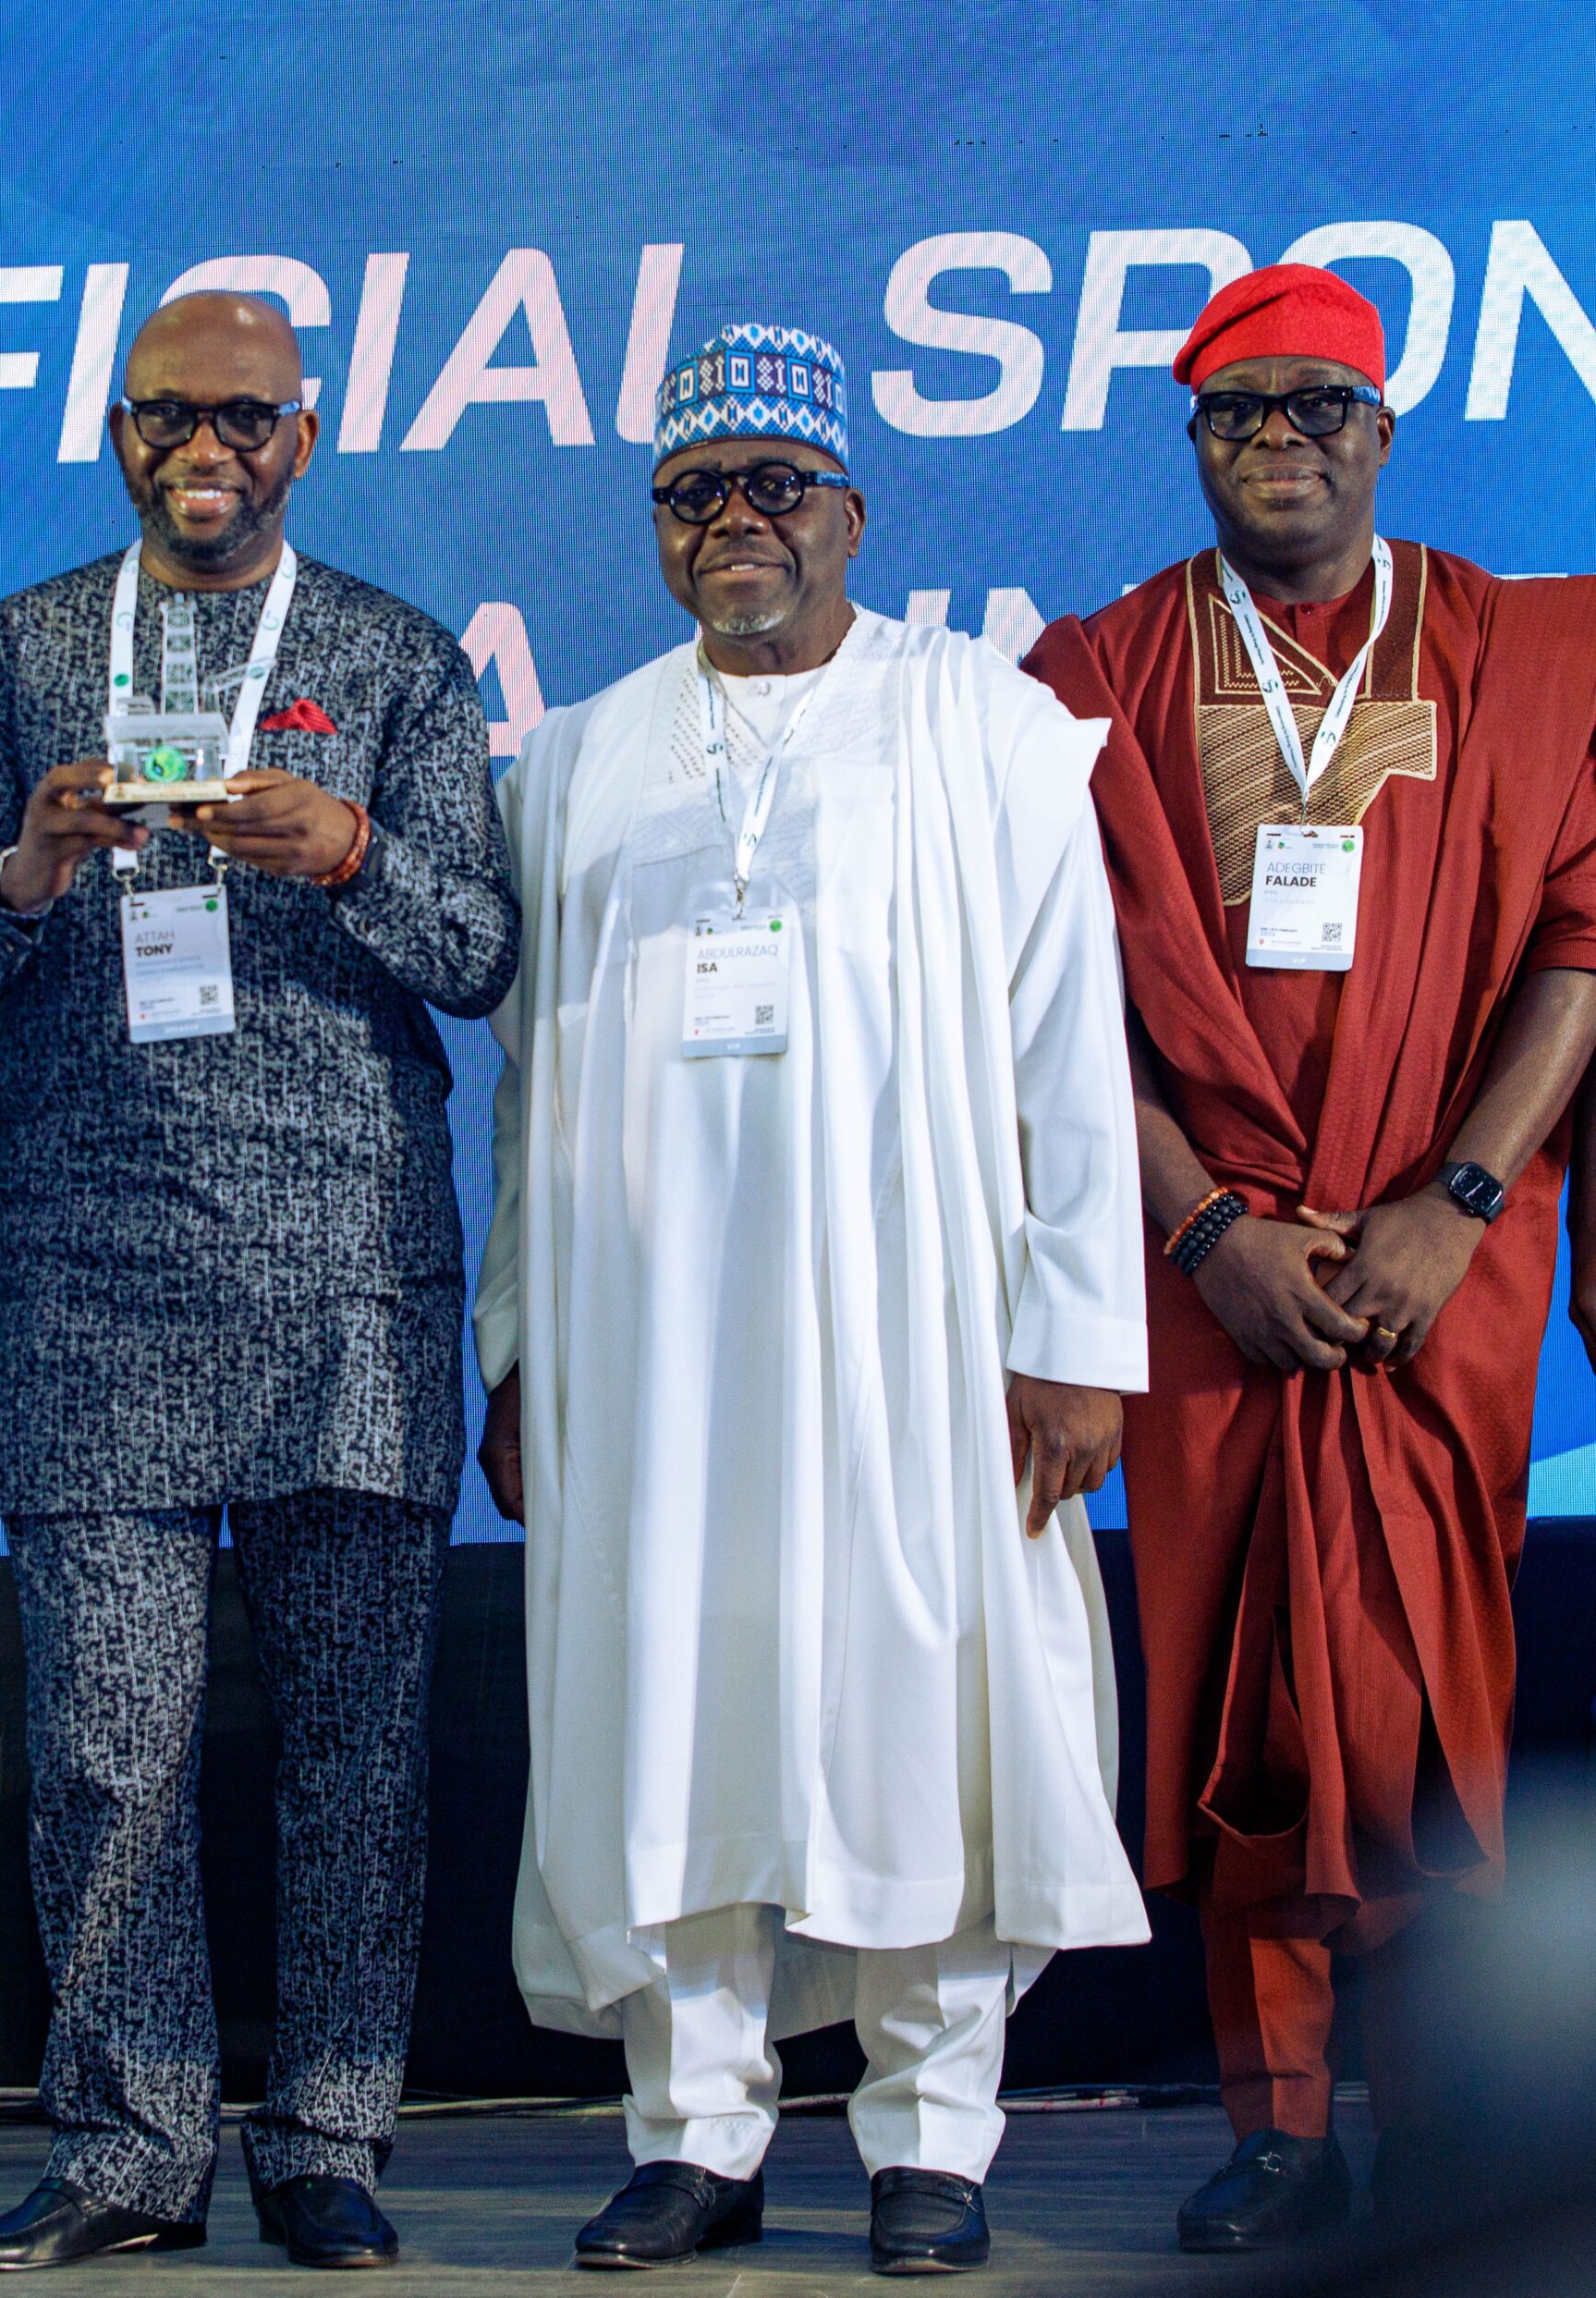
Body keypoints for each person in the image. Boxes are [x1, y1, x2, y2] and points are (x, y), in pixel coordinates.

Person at [476, 323, 1149, 2278]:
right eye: (694, 493)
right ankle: (692, 2131)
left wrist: (1075, 1335)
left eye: (775, 485)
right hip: (648, 1339)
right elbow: (531, 1080)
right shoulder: (583, 746)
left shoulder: (981, 723)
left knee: (918, 1699)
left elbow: (1063, 1043)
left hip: (919, 1328)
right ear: (655, 528)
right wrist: (518, 1340)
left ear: (851, 510)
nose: (736, 522)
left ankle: (928, 2134)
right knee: (662, 1700)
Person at [0, 290, 518, 2274]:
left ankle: (329, 2128)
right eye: (169, 414)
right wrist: (26, 861)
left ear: (303, 435)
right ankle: (130, 2139)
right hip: (94, 1259)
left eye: (242, 418)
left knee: (355, 1736)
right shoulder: (19, 649)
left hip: (346, 1266)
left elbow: (478, 950)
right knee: (107, 1738)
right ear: (114, 429)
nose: (206, 447)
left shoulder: (393, 659)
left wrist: (345, 850)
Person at [1024, 263, 1596, 2251]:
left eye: (1309, 411)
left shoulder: (1527, 647)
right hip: (1208, 1284)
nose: (1272, 443)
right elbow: (1059, 1005)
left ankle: (1442, 2103)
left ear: (1378, 426)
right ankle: (1277, 2124)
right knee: (1245, 1711)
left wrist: (1448, 1207)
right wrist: (1198, 1230)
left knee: (1426, 1693)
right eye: (1231, 415)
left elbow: (1583, 946)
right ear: (1188, 439)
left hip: (1434, 1269)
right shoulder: (1083, 676)